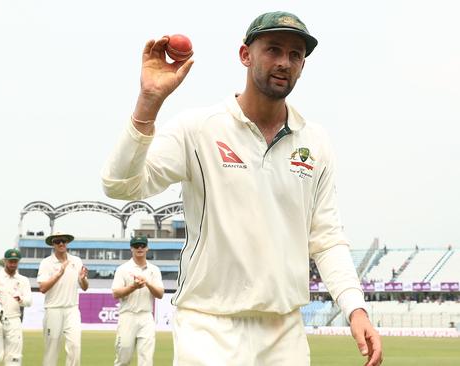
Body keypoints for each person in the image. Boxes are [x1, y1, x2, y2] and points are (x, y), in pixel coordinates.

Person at [101, 11, 382, 366]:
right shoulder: (199, 129)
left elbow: (325, 238)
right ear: (245, 55)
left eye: (296, 55)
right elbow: (120, 186)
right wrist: (148, 102)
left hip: (285, 334)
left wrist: (355, 308)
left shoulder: (315, 142)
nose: (284, 62)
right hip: (208, 328)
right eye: (273, 50)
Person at [37, 231, 89, 366]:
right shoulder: (46, 263)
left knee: (75, 347)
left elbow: (84, 287)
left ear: (67, 243)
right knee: (52, 349)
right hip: (53, 309)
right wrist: (59, 273)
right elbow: (42, 288)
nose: (61, 243)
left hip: (72, 309)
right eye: (57, 241)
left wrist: (83, 279)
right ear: (53, 244)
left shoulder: (76, 261)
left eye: (63, 241)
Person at [112, 235, 164, 366]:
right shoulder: (123, 269)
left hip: (146, 316)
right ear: (131, 248)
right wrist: (133, 286)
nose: (139, 248)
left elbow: (160, 294)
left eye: (142, 245)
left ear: (147, 248)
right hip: (127, 316)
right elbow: (116, 293)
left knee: (146, 360)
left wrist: (148, 283)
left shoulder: (154, 270)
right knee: (123, 358)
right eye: (136, 246)